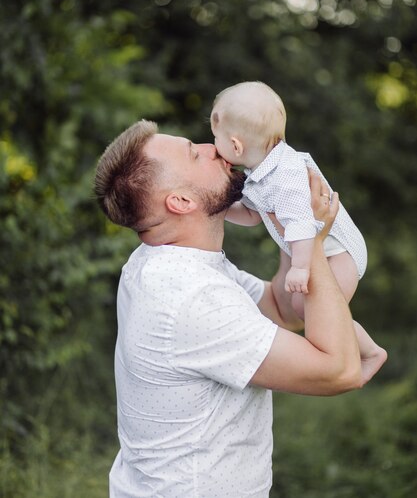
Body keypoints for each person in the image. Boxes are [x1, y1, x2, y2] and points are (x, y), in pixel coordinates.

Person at [94, 119, 363, 498]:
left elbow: (278, 308)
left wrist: (293, 226)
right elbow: (340, 370)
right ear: (182, 202)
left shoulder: (168, 263)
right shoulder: (190, 297)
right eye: (194, 152)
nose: (212, 148)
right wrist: (314, 241)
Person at [210, 80, 387, 386]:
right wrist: (220, 208)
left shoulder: (286, 175)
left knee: (316, 315)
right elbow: (254, 215)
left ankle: (370, 352)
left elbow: (303, 224)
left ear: (236, 146)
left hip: (340, 252)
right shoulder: (261, 172)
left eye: (216, 139)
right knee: (301, 309)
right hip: (325, 250)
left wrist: (301, 267)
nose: (213, 146)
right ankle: (366, 350)